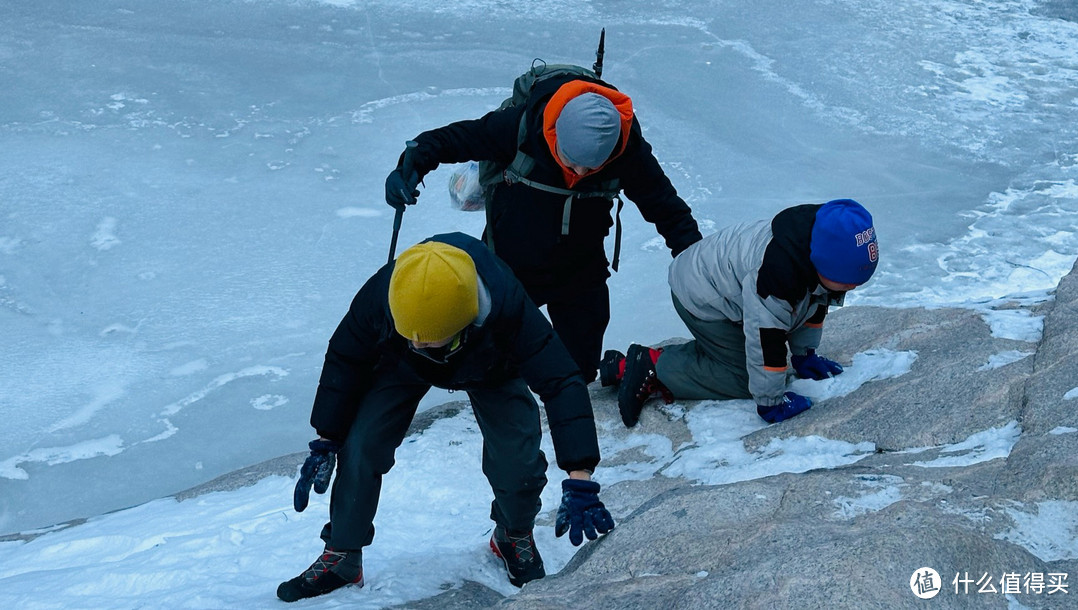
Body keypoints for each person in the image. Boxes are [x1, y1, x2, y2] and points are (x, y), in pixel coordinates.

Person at [277, 233, 614, 602]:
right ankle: (341, 556)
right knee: (361, 445)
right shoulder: (384, 297)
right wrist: (326, 437)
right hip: (401, 367)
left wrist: (580, 475)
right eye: (413, 336)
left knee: (517, 457)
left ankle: (512, 534)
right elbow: (346, 357)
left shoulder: (507, 307)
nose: (418, 344)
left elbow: (561, 380)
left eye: (428, 341)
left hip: (490, 366)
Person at [384, 67, 702, 383]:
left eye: (591, 167)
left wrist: (699, 266)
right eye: (569, 158)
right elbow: (452, 140)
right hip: (511, 265)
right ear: (554, 135)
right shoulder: (521, 127)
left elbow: (666, 208)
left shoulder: (626, 150)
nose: (577, 171)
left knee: (577, 372)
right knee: (496, 369)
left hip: (581, 269)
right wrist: (409, 167)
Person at [602, 199, 879, 427]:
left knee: (767, 355)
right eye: (844, 282)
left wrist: (804, 355)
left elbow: (812, 303)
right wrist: (770, 400)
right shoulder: (777, 274)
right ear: (821, 263)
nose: (851, 288)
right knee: (745, 378)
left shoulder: (819, 239)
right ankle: (649, 366)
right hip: (700, 297)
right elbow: (765, 339)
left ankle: (625, 367)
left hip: (723, 286)